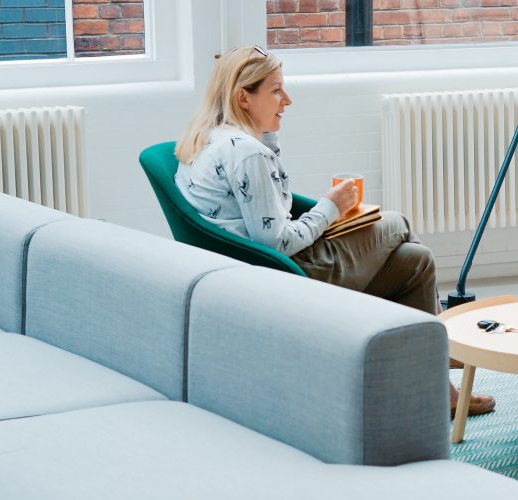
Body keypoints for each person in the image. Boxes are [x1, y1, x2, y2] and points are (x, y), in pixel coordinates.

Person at [174, 46, 494, 418]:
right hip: (288, 275)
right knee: (397, 222)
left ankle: (435, 385)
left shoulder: (214, 139)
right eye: (276, 90)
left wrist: (273, 142)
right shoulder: (248, 154)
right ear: (243, 97)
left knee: (416, 261)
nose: (287, 100)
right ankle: (443, 348)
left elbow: (266, 215)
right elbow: (274, 241)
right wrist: (330, 208)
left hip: (254, 272)